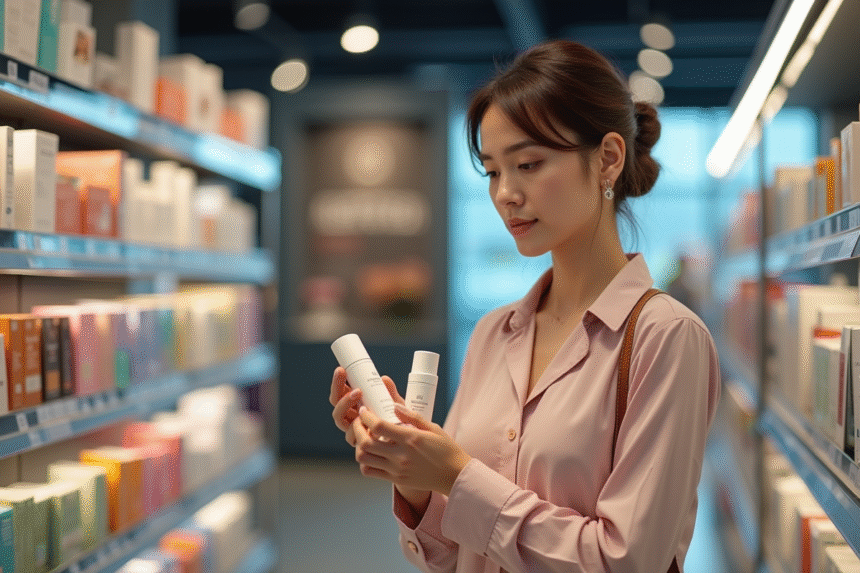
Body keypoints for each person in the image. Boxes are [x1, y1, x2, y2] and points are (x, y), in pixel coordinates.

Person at [329, 39, 720, 573]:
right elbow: (453, 556)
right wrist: (415, 477)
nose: (506, 193)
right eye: (492, 171)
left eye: (529, 164)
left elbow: (627, 560)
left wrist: (456, 477)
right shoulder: (494, 333)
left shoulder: (667, 338)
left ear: (607, 159)